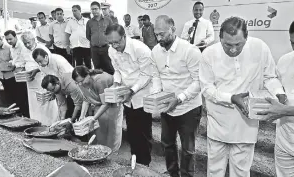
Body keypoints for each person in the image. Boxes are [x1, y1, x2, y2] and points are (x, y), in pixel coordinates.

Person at [199, 16, 287, 177]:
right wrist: (231, 98)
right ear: (220, 38)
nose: (233, 50)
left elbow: (270, 77)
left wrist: (279, 92)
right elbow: (206, 88)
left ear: (246, 38)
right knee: (214, 171)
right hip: (218, 122)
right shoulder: (209, 54)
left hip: (246, 124)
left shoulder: (259, 47)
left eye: (238, 44)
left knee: (241, 172)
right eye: (227, 45)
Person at [151, 15, 202, 177]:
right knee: (167, 144)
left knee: (187, 149)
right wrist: (158, 95)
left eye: (162, 34)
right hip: (167, 106)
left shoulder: (190, 50)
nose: (158, 38)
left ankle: (187, 175)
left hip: (189, 107)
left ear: (173, 29)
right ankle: (173, 173)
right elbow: (156, 76)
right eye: (156, 34)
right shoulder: (155, 51)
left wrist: (179, 98)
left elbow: (199, 81)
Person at [106, 24, 159, 166]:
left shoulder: (140, 49)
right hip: (126, 95)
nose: (114, 46)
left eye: (116, 42)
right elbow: (117, 70)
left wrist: (132, 90)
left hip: (142, 94)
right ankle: (135, 160)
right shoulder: (111, 50)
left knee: (144, 132)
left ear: (124, 36)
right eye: (110, 43)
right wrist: (116, 84)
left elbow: (146, 74)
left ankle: (145, 164)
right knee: (132, 131)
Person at [257, 21, 294, 177]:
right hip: (285, 139)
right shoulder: (285, 61)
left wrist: (284, 110)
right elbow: (278, 87)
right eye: (293, 43)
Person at [72, 66, 123, 152]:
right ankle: (101, 150)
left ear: (88, 75)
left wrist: (94, 118)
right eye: (77, 82)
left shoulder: (100, 80)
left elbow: (106, 103)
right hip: (99, 104)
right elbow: (86, 99)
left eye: (81, 81)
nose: (80, 84)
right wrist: (82, 116)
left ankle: (112, 152)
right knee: (98, 130)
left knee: (111, 131)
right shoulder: (81, 83)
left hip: (112, 104)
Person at [20, 31, 59, 126]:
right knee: (34, 103)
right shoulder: (23, 50)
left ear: (34, 40)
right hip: (30, 82)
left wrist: (37, 70)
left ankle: (51, 124)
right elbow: (22, 63)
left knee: (46, 101)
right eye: (25, 43)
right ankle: (36, 122)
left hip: (43, 80)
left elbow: (49, 63)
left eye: (29, 42)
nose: (27, 45)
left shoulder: (41, 48)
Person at [4, 30, 29, 117]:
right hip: (16, 74)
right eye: (7, 40)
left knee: (24, 95)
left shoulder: (22, 46)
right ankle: (21, 113)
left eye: (10, 39)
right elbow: (15, 59)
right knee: (18, 95)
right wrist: (12, 63)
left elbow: (24, 60)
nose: (9, 41)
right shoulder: (11, 47)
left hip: (23, 73)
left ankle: (26, 115)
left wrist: (15, 65)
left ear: (15, 37)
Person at [86, 1, 114, 75]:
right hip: (94, 50)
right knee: (97, 69)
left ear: (100, 9)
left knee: (109, 68)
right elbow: (88, 36)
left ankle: (110, 84)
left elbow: (112, 33)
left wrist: (105, 41)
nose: (94, 11)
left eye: (96, 9)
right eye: (92, 9)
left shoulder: (108, 20)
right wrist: (95, 42)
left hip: (106, 48)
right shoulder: (89, 22)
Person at [0, 32, 16, 104]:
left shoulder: (9, 48)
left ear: (1, 39)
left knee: (14, 94)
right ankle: (9, 111)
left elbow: (14, 61)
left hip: (11, 76)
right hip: (2, 76)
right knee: (7, 94)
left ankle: (18, 112)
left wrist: (4, 64)